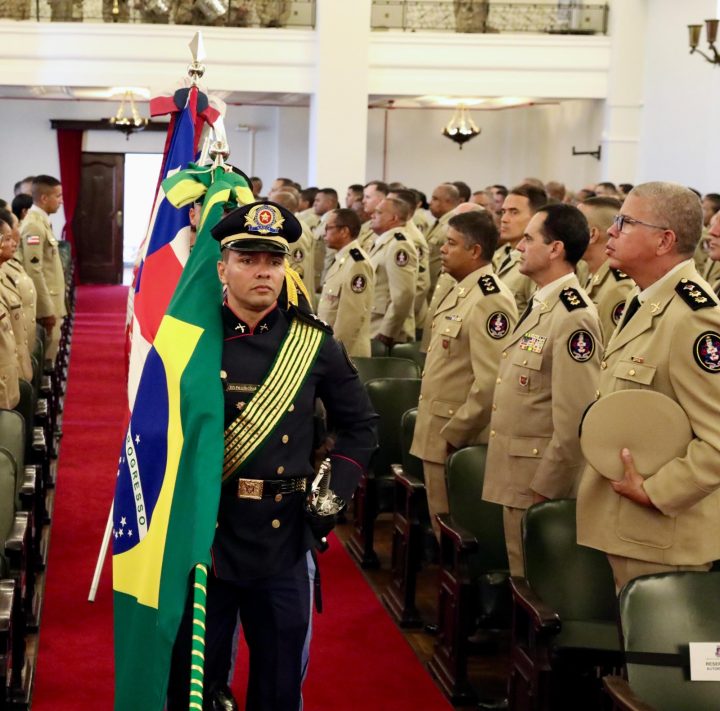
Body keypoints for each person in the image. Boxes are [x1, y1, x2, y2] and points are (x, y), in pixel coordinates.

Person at [167, 200, 377, 711]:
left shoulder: (313, 344)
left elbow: (361, 426)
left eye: (274, 261)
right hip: (205, 537)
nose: (264, 271)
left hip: (283, 537)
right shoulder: (190, 341)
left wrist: (329, 499)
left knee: (279, 686)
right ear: (222, 267)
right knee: (195, 687)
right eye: (248, 259)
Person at [577, 182, 720, 592]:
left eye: (626, 221)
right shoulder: (648, 301)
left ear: (664, 240)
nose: (613, 230)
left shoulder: (693, 318)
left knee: (649, 656)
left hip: (662, 537)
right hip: (631, 530)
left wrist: (657, 492)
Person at [482, 203, 601, 576]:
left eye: (529, 239)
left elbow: (574, 420)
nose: (518, 246)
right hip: (518, 471)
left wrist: (545, 490)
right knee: (521, 579)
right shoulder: (544, 303)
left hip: (537, 481)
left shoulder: (573, 314)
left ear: (555, 249)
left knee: (533, 584)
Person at [411, 210, 517, 539]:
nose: (442, 249)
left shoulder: (490, 299)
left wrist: (454, 433)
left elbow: (490, 382)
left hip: (456, 434)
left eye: (451, 244)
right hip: (439, 426)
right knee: (439, 519)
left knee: (453, 531)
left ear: (474, 251)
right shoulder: (463, 290)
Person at [19, 175, 66, 369]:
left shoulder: (41, 221)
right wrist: (46, 310)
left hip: (52, 298)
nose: (62, 200)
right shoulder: (33, 225)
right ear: (44, 198)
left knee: (52, 352)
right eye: (58, 196)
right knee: (45, 359)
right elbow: (34, 271)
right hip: (46, 302)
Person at [317, 208, 374, 357]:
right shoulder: (342, 260)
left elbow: (351, 316)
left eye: (329, 228)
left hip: (347, 352)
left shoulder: (357, 263)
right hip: (333, 347)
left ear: (344, 231)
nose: (324, 233)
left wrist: (336, 352)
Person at [578, 196, 634, 343]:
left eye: (574, 225)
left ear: (592, 235)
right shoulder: (586, 271)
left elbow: (606, 351)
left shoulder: (617, 288)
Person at [367, 197, 418, 346]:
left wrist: (387, 332)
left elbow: (404, 293)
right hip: (373, 326)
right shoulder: (383, 241)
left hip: (386, 333)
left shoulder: (399, 245)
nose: (372, 215)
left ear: (393, 218)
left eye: (378, 212)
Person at [494, 183, 547, 314]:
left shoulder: (537, 261)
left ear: (536, 217)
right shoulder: (501, 253)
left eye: (514, 212)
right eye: (503, 212)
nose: (504, 219)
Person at [426, 183, 462, 297]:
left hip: (440, 290)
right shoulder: (438, 223)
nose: (430, 202)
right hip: (430, 290)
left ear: (448, 201)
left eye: (435, 199)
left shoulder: (452, 225)